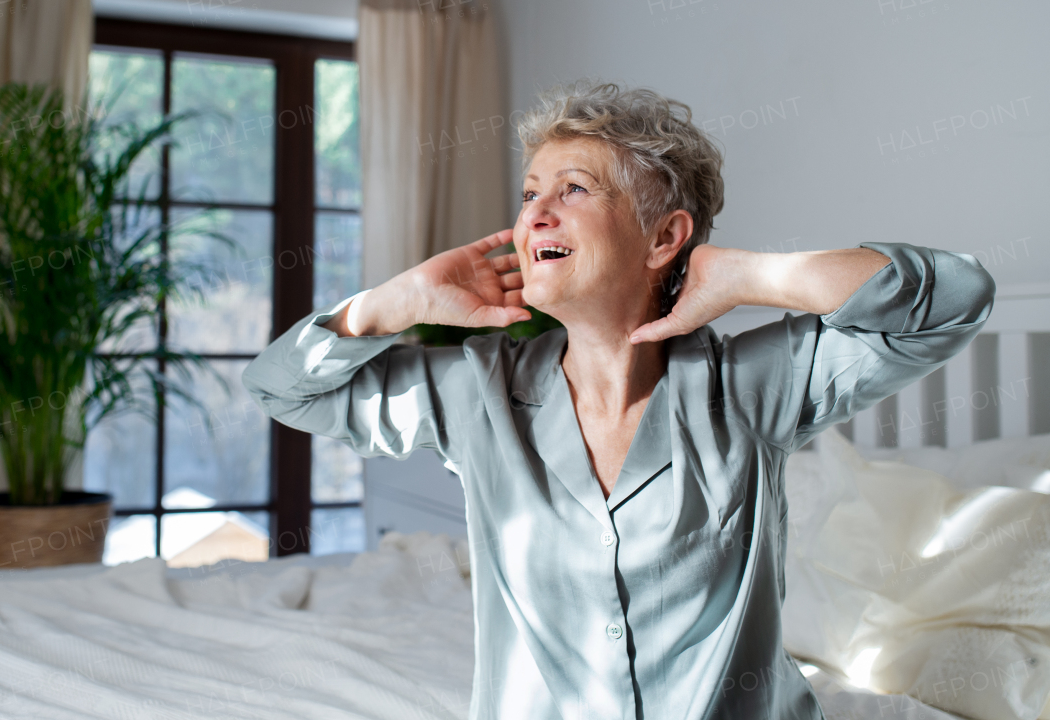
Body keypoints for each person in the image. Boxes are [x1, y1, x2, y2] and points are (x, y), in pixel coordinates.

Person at [242, 81, 996, 719]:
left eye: (574, 189)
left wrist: (755, 277)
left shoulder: (752, 387)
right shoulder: (477, 393)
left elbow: (957, 298)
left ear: (665, 237)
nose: (534, 214)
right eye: (531, 192)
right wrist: (388, 305)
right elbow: (282, 389)